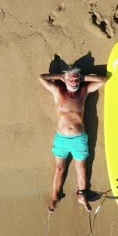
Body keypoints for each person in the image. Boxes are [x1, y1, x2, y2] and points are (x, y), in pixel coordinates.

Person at [39, 66, 107, 213]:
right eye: (72, 79)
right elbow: (41, 78)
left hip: (79, 139)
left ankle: (82, 195)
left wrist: (84, 78)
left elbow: (103, 80)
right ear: (65, 80)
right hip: (61, 139)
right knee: (59, 169)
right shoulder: (58, 91)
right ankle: (55, 197)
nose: (75, 82)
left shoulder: (83, 92)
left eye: (77, 79)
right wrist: (61, 76)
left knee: (81, 168)